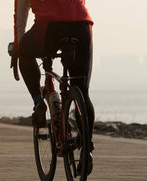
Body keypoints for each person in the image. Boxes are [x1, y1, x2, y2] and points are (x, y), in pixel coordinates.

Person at [12, 0, 95, 147]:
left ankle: (38, 102)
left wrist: (18, 48)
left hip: (49, 28)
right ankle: (87, 149)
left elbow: (21, 13)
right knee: (82, 91)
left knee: (24, 52)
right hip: (82, 27)